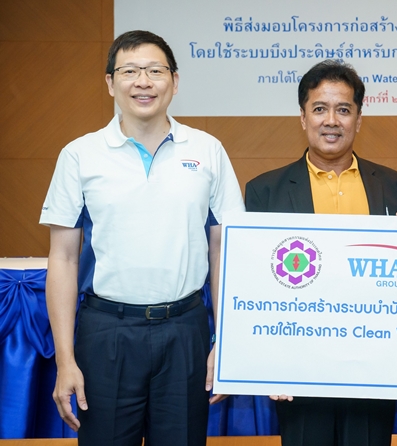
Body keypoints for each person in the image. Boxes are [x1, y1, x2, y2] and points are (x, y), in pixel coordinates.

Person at [40, 30, 245, 445]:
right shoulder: (80, 154)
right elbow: (62, 258)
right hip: (106, 334)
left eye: (155, 70)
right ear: (110, 83)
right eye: (130, 71)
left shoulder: (207, 150)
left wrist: (225, 343)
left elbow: (224, 251)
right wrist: (65, 360)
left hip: (185, 330)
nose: (143, 82)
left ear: (175, 80)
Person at [244, 59, 397, 446]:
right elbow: (254, 285)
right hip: (298, 365)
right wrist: (268, 362)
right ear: (303, 117)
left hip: (373, 364)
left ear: (359, 118)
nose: (331, 120)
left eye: (343, 110)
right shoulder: (264, 191)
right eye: (320, 109)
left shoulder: (393, 185)